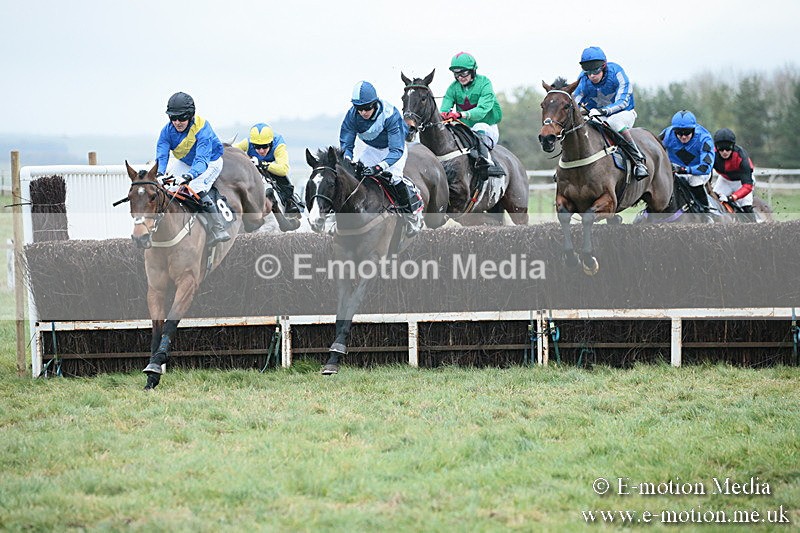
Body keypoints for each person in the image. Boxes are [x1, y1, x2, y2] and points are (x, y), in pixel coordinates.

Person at [340, 80, 422, 236]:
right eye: (359, 108)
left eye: (367, 108)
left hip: (393, 149)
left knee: (394, 178)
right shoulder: (352, 115)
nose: (363, 112)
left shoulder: (390, 114)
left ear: (375, 103)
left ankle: (411, 217)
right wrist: (348, 160)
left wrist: (379, 167)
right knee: (353, 177)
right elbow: (346, 144)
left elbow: (396, 150)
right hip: (372, 149)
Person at [155, 92, 230, 245]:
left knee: (194, 186)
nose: (177, 122)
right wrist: (160, 173)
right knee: (167, 186)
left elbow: (201, 161)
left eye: (181, 118)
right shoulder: (166, 131)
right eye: (173, 118)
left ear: (190, 115)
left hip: (210, 161)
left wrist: (189, 176)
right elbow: (162, 156)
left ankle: (218, 227)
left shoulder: (203, 129)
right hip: (185, 162)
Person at [573, 46, 649, 179]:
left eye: (595, 71)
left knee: (614, 121)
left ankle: (638, 161)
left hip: (624, 113)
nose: (592, 76)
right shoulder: (583, 79)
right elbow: (576, 100)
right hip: (596, 115)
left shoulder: (617, 73)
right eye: (588, 72)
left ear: (604, 66)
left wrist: (603, 111)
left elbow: (623, 101)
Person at [439, 51, 505, 179]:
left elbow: (481, 111)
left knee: (479, 126)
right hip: (465, 130)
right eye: (457, 74)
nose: (460, 77)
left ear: (473, 71)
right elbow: (444, 109)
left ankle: (487, 164)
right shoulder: (453, 88)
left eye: (464, 73)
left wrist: (460, 114)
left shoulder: (485, 83)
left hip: (487, 128)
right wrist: (444, 115)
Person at [235, 123, 302, 216]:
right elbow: (232, 150)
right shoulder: (247, 142)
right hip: (254, 165)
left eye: (265, 146)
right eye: (257, 147)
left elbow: (283, 169)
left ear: (271, 143)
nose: (261, 150)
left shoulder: (279, 145)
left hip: (272, 166)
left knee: (281, 177)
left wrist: (263, 164)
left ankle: (290, 202)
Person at [660, 110, 715, 212]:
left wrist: (684, 169)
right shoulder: (667, 134)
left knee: (694, 180)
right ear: (674, 131)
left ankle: (705, 211)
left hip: (698, 171)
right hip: (675, 169)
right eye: (679, 133)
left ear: (694, 130)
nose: (683, 137)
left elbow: (706, 167)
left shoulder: (704, 139)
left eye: (687, 133)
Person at [712, 128, 757, 222]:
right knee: (713, 202)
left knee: (746, 206)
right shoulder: (712, 155)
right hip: (724, 180)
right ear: (716, 147)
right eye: (721, 148)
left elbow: (748, 186)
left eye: (728, 148)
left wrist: (732, 198)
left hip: (742, 183)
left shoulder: (741, 156)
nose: (724, 152)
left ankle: (755, 228)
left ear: (733, 146)